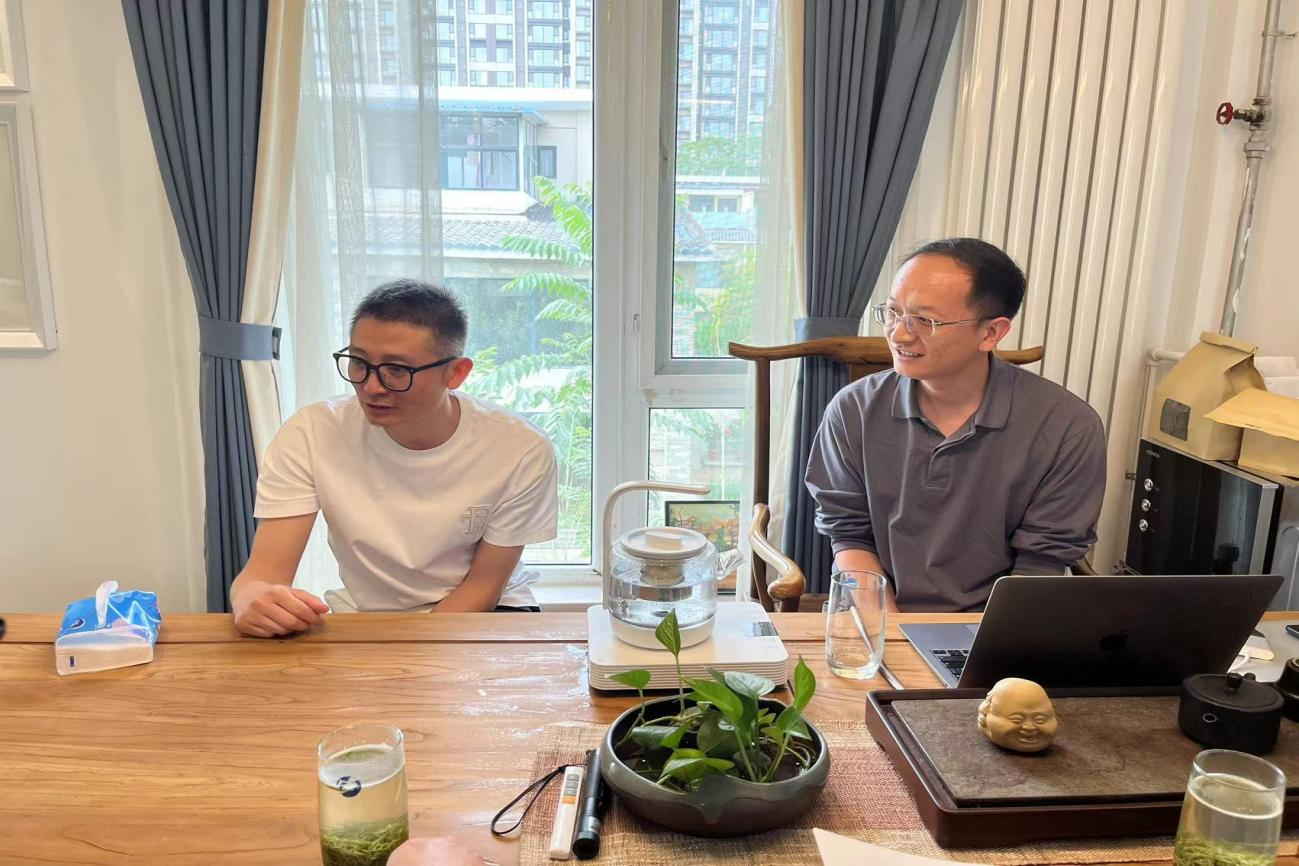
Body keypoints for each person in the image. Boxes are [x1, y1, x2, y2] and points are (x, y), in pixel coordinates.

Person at [230, 279, 558, 637]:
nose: (371, 386)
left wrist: (412, 656)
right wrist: (251, 597)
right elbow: (264, 574)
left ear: (456, 373)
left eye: (397, 370)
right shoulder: (312, 432)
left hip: (485, 611)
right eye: (359, 362)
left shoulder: (519, 449)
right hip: (372, 615)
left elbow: (483, 587)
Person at [805, 237, 1106, 612]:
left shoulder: (1068, 427)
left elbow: (1041, 564)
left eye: (925, 321)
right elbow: (849, 536)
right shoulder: (854, 409)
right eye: (894, 312)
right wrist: (888, 631)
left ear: (991, 333)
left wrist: (988, 639)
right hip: (874, 614)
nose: (899, 334)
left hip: (995, 623)